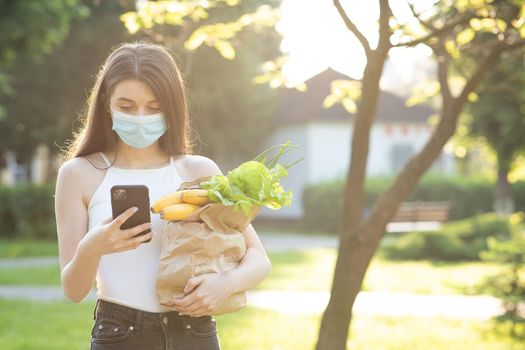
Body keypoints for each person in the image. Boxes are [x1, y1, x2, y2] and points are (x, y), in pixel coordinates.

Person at [54, 41, 272, 350]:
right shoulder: (78, 175)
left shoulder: (198, 171)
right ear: (106, 102)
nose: (141, 117)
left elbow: (259, 259)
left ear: (171, 107)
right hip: (119, 334)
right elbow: (73, 291)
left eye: (154, 107)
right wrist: (93, 247)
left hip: (195, 333)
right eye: (127, 106)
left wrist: (225, 284)